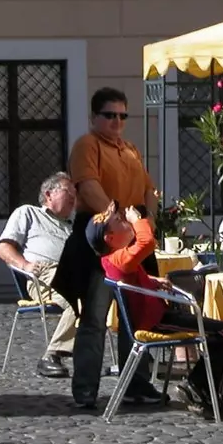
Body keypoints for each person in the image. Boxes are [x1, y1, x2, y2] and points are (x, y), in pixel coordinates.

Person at [62, 87, 164, 411]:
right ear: (94, 117)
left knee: (138, 315)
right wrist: (116, 222)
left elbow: (148, 189)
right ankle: (85, 390)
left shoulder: (130, 148)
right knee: (94, 316)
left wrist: (147, 221)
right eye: (110, 115)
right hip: (101, 240)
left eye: (122, 115)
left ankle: (136, 383)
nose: (117, 121)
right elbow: (88, 186)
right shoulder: (86, 145)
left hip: (133, 235)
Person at [90, 203, 223, 419]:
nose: (124, 221)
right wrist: (137, 220)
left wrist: (153, 281)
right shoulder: (120, 258)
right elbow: (147, 241)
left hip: (156, 314)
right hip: (155, 321)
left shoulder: (115, 259)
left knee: (222, 334)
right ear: (110, 238)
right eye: (118, 222)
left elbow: (131, 278)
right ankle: (204, 393)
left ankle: (197, 386)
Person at [0, 172, 79, 378]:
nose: (73, 198)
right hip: (44, 273)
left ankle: (130, 359)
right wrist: (25, 264)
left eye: (75, 194)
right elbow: (3, 249)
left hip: (74, 274)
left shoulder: (73, 226)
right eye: (69, 192)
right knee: (84, 296)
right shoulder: (28, 213)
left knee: (103, 295)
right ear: (49, 194)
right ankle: (52, 355)